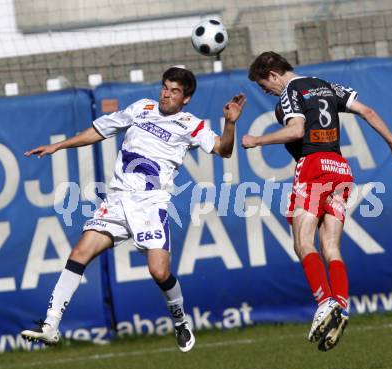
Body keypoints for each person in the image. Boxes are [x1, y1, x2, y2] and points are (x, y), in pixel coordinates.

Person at [21, 67, 246, 353]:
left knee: (159, 272)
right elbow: (99, 129)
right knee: (79, 254)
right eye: (165, 87)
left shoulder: (192, 124)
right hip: (117, 200)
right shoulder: (142, 107)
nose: (166, 94)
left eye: (175, 91)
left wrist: (229, 124)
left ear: (186, 98)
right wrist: (59, 145)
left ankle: (179, 320)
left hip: (150, 205)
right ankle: (50, 325)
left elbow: (224, 149)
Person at [242, 51, 392, 351]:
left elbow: (297, 129)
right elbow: (368, 111)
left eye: (263, 84)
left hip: (313, 166)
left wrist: (257, 140)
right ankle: (341, 306)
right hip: (340, 168)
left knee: (301, 242)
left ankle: (324, 302)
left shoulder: (291, 91)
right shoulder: (324, 84)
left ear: (273, 74)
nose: (265, 91)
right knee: (330, 246)